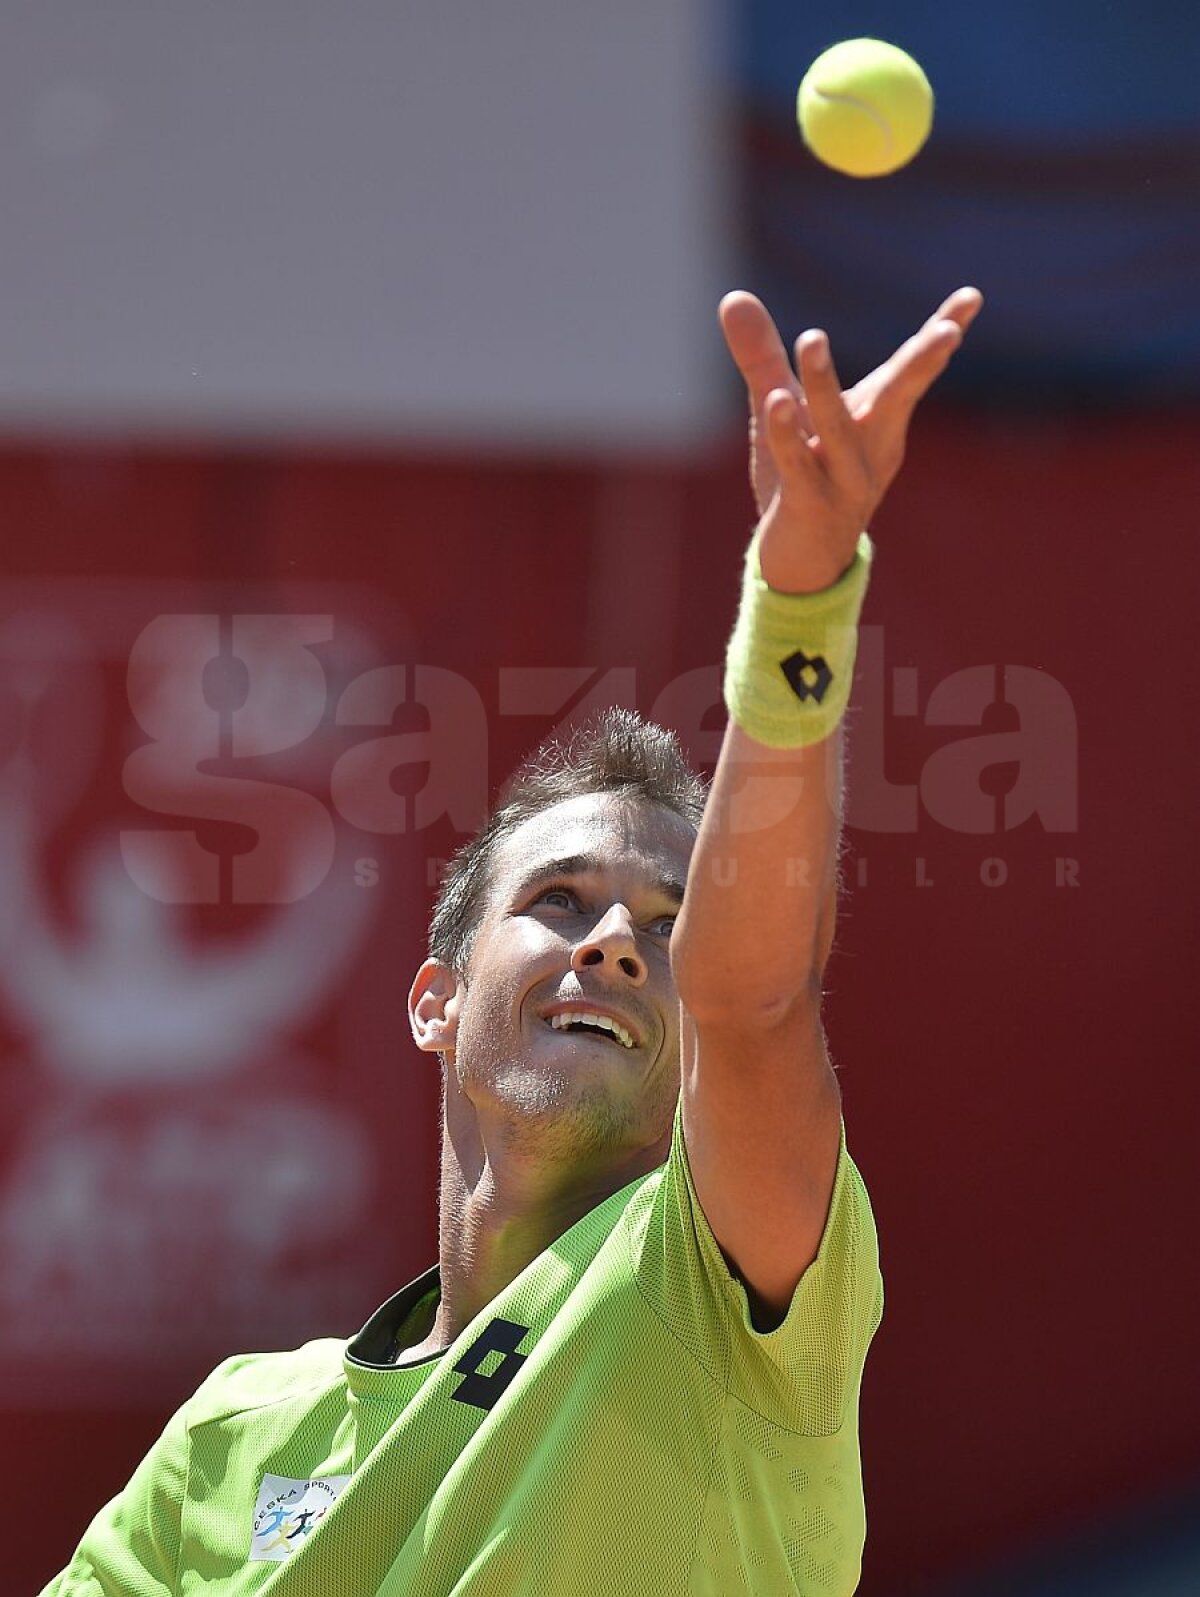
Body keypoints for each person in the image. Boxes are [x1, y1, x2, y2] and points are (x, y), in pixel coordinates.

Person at [42, 284, 982, 1597]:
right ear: (434, 997)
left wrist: (802, 596)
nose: (613, 944)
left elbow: (754, 1002)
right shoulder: (233, 1431)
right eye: (560, 900)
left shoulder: (719, 1283)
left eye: (667, 924)